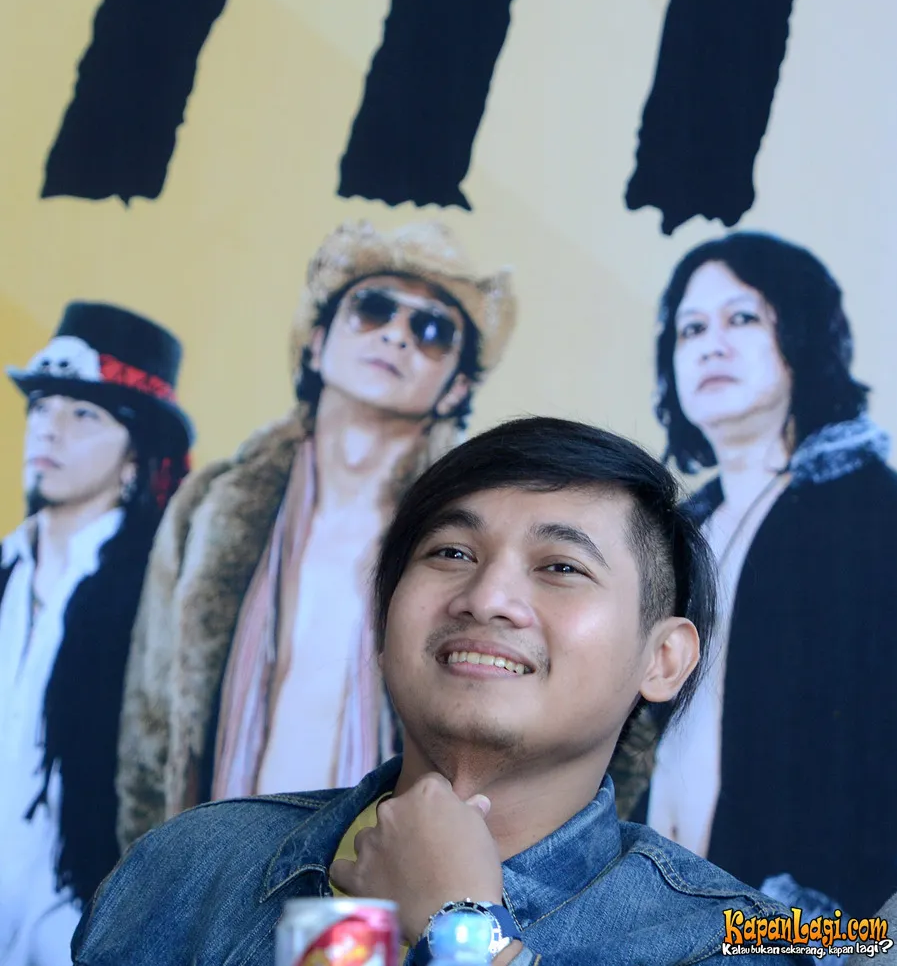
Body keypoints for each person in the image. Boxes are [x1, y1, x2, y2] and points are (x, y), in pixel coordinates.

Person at [73, 417, 805, 966]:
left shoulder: (732, 943)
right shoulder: (188, 864)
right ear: (385, 622)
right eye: (451, 553)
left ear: (664, 659)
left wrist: (459, 931)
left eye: (560, 567)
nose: (487, 598)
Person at [116, 219, 516, 849]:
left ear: (457, 388)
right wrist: (150, 874)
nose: (396, 335)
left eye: (432, 329)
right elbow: (150, 724)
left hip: (387, 876)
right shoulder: (212, 505)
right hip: (214, 866)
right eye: (373, 308)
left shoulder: (476, 534)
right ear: (316, 341)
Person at [642, 231, 897, 914]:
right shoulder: (675, 533)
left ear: (803, 337)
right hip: (663, 906)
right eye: (691, 329)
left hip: (808, 928)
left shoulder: (876, 515)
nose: (711, 345)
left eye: (742, 318)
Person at [0, 302, 192, 966]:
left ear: (136, 453)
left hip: (80, 916)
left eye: (84, 413)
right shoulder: (6, 568)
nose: (49, 428)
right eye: (42, 406)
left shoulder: (158, 596)